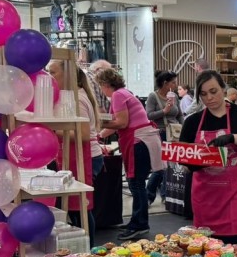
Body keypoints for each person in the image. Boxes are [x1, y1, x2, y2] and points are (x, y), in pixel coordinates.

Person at [179, 70, 237, 250]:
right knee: (208, 255)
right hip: (207, 199)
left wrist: (233, 138)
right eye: (203, 94)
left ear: (223, 88)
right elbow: (184, 159)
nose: (209, 98)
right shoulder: (193, 122)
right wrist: (191, 163)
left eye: (213, 91)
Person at [95, 69, 163, 240]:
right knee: (136, 183)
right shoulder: (125, 93)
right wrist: (99, 135)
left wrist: (98, 120)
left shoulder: (118, 95)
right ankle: (137, 220)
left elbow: (121, 122)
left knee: (136, 184)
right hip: (142, 140)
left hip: (138, 141)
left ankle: (139, 224)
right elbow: (120, 122)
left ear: (105, 84)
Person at [48, 60, 102, 234]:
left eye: (53, 72)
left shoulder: (77, 99)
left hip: (86, 158)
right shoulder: (72, 97)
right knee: (77, 209)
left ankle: (88, 247)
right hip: (76, 156)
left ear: (68, 75)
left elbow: (84, 135)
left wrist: (52, 130)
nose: (49, 77)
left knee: (81, 209)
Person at [145, 71, 180, 205]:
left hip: (174, 133)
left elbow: (179, 114)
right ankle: (149, 195)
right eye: (173, 82)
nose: (176, 85)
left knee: (171, 166)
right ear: (165, 83)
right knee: (160, 167)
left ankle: (166, 195)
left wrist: (182, 126)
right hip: (160, 133)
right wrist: (164, 111)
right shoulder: (153, 96)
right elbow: (148, 115)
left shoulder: (174, 96)